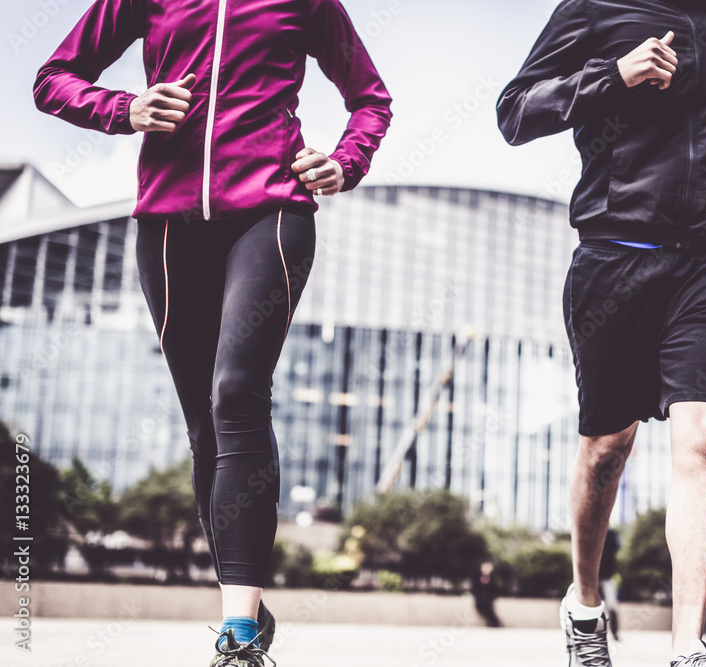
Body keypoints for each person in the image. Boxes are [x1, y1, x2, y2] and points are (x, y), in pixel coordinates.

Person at [34, 1, 391, 664]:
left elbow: (370, 99)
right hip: (168, 227)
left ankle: (239, 637)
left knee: (237, 393)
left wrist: (347, 160)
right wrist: (124, 109)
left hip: (272, 212)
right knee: (204, 425)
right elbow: (53, 77)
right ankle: (245, 599)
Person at [497, 1, 706, 666]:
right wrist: (610, 76)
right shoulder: (592, 10)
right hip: (613, 257)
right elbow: (514, 112)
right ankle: (586, 604)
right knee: (605, 450)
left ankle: (687, 647)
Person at [598, 528, 621, 641]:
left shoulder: (611, 534)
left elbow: (617, 546)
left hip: (606, 577)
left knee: (612, 606)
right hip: (594, 577)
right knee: (593, 606)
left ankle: (615, 633)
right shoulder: (593, 532)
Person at [471, 561, 503, 628]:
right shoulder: (477, 576)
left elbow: (496, 588)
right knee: (481, 610)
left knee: (490, 612)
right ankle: (491, 622)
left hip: (489, 599)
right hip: (479, 598)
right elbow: (475, 587)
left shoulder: (494, 577)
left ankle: (495, 624)